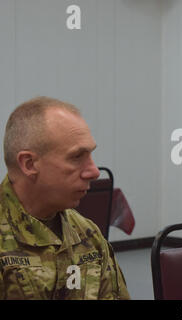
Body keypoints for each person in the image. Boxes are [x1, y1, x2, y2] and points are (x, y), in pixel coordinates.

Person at [0, 96, 130, 299]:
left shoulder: (88, 235)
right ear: (29, 164)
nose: (94, 171)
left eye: (90, 155)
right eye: (77, 156)